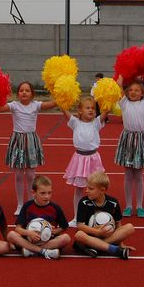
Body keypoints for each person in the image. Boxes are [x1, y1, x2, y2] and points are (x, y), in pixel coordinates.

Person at [0, 82, 57, 216]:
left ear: (32, 94)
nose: (24, 92)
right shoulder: (14, 105)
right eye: (21, 90)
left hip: (31, 141)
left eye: (27, 90)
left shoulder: (36, 105)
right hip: (18, 142)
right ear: (18, 93)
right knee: (18, 175)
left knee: (30, 175)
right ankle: (20, 204)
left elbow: (52, 104)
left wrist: (59, 93)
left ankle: (31, 201)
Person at [61, 96, 108, 227]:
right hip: (80, 159)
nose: (91, 110)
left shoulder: (97, 122)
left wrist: (109, 98)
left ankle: (98, 217)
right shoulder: (75, 123)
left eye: (93, 108)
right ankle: (77, 217)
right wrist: (61, 98)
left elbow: (106, 111)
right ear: (80, 110)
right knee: (79, 189)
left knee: (96, 188)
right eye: (88, 108)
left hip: (93, 159)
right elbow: (65, 111)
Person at [114, 76, 144, 218]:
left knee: (138, 175)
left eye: (137, 90)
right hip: (127, 139)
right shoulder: (124, 102)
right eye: (130, 89)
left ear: (142, 93)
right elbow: (118, 84)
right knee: (128, 175)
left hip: (140, 140)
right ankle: (128, 206)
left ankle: (139, 206)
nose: (133, 92)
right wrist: (122, 74)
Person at [73, 172, 135, 259]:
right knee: (79, 235)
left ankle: (95, 246)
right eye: (87, 187)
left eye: (90, 189)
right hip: (90, 235)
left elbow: (118, 224)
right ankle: (114, 250)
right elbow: (80, 226)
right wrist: (97, 232)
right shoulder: (84, 202)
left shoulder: (113, 203)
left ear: (102, 190)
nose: (86, 190)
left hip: (107, 236)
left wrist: (121, 243)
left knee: (130, 227)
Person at [7, 175, 71, 259]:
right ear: (33, 193)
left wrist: (54, 231)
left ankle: (31, 251)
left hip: (48, 240)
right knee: (11, 235)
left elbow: (64, 226)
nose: (47, 196)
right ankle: (44, 251)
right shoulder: (27, 206)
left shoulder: (55, 208)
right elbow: (18, 228)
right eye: (43, 193)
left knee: (66, 238)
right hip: (29, 239)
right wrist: (28, 233)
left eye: (49, 193)